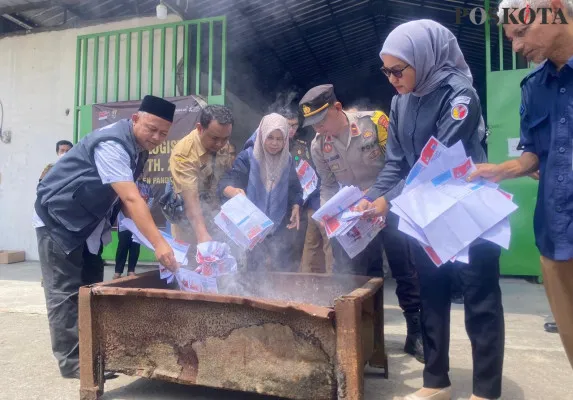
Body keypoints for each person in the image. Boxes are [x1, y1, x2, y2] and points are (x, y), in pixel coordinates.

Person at [356, 20, 504, 400]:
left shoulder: (460, 94)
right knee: (431, 295)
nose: (391, 79)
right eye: (386, 70)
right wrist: (372, 195)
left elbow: (435, 160)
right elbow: (397, 161)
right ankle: (436, 382)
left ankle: (486, 391)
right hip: (425, 210)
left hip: (469, 208)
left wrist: (389, 199)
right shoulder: (400, 101)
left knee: (479, 298)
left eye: (398, 70)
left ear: (424, 57)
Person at [35, 95, 179, 380]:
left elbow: (124, 199)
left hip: (87, 222)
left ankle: (92, 354)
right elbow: (130, 196)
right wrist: (160, 244)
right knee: (64, 294)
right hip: (58, 218)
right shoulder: (112, 144)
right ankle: (73, 363)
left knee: (90, 289)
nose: (156, 137)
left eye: (163, 133)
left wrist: (153, 237)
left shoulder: (137, 148)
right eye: (151, 128)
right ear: (135, 119)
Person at [469, 0, 573, 369]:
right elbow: (534, 155)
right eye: (510, 37)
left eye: (521, 32)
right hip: (555, 237)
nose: (515, 46)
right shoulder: (533, 87)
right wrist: (501, 170)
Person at [301, 84, 423, 362]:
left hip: (390, 206)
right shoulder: (319, 146)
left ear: (338, 108)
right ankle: (370, 334)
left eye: (321, 121)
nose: (318, 129)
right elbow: (328, 185)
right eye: (313, 125)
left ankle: (416, 333)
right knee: (365, 276)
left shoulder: (376, 123)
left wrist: (379, 197)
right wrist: (327, 218)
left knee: (405, 269)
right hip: (355, 218)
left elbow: (400, 167)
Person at [218, 113, 303, 271]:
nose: (274, 143)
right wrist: (234, 191)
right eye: (270, 137)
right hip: (251, 227)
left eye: (279, 139)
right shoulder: (248, 157)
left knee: (280, 270)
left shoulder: (287, 160)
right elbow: (226, 183)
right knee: (253, 271)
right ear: (262, 134)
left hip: (278, 226)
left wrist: (296, 204)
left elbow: (295, 188)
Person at [168, 105, 234, 257]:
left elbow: (226, 175)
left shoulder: (222, 142)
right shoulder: (184, 153)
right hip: (189, 220)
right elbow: (190, 200)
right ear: (200, 128)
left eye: (225, 139)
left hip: (216, 215)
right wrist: (202, 234)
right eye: (215, 138)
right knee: (194, 263)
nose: (220, 144)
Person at [113, 176, 153, 279]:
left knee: (135, 246)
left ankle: (131, 270)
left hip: (139, 222)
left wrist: (142, 213)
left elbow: (151, 199)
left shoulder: (146, 186)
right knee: (122, 246)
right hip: (124, 222)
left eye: (142, 172)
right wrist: (129, 214)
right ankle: (118, 271)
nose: (140, 174)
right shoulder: (125, 184)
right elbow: (119, 201)